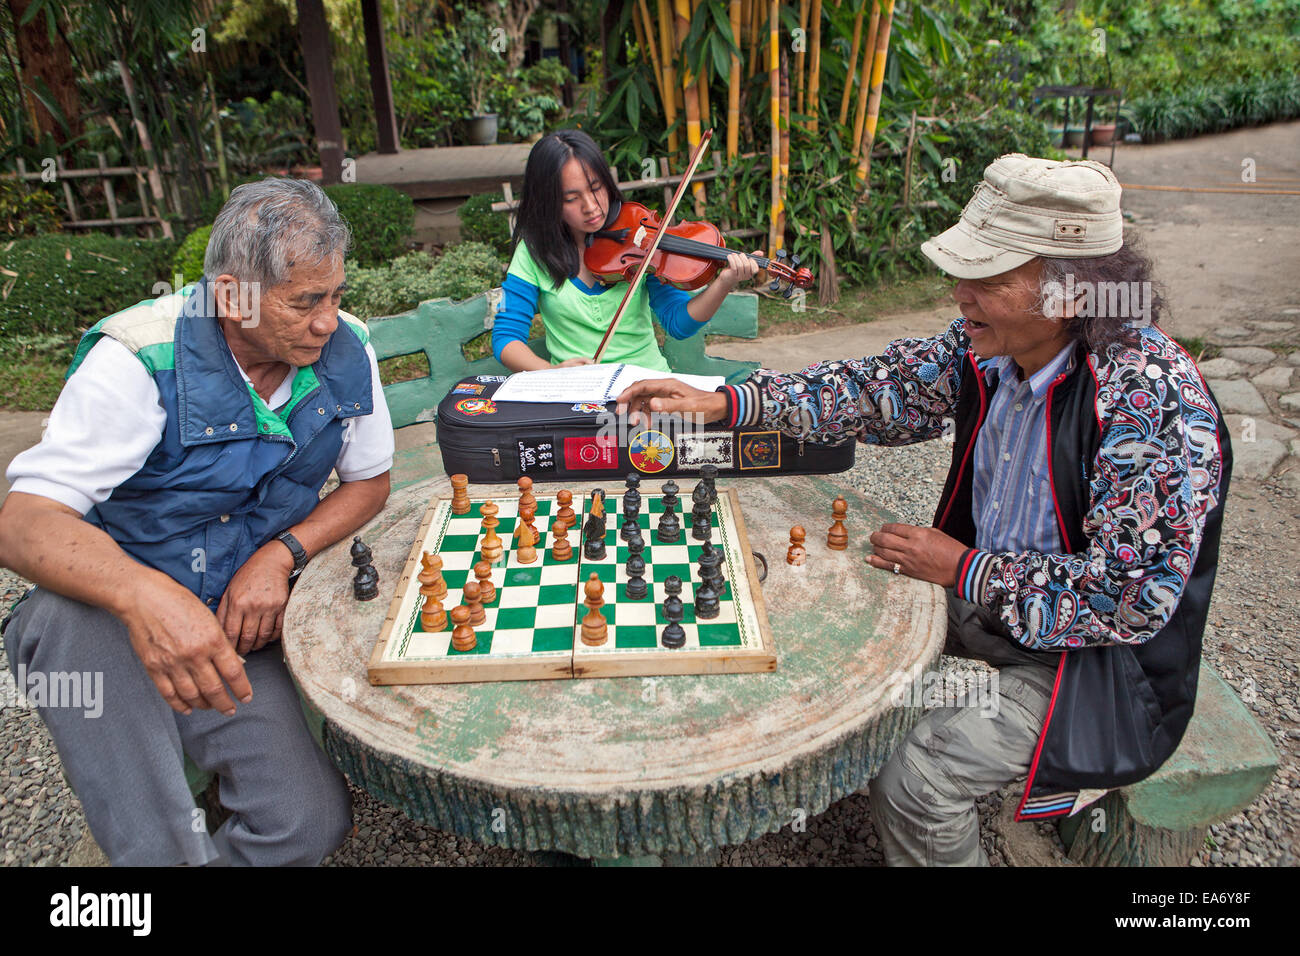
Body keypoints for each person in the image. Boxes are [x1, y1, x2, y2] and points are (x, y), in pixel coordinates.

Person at [617, 154, 1232, 866]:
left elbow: (1127, 602)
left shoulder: (1151, 401)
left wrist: (964, 569)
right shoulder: (987, 348)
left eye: (988, 278)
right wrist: (728, 401)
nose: (959, 294)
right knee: (831, 639)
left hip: (1093, 673)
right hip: (987, 608)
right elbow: (875, 389)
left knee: (918, 776)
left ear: (1068, 295)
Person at [0, 178, 395, 866]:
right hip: (111, 630)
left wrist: (282, 554)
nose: (328, 320)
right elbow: (24, 523)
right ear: (232, 295)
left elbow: (370, 482)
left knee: (305, 823)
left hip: (230, 627)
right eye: (306, 302)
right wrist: (145, 597)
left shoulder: (346, 347)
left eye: (334, 295)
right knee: (153, 838)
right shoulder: (136, 358)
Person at [493, 128, 760, 372]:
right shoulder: (533, 252)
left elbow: (679, 324)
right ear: (548, 202)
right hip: (580, 393)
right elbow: (506, 338)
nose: (591, 206)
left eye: (596, 188)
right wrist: (552, 373)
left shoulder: (641, 239)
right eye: (572, 198)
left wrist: (725, 281)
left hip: (648, 384)